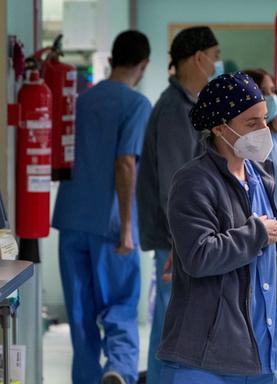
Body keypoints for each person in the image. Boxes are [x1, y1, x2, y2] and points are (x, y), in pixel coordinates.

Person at [158, 72, 277, 383]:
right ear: (219, 128)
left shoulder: (260, 176)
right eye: (251, 124)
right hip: (207, 359)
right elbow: (199, 256)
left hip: (259, 354)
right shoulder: (194, 181)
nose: (263, 131)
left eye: (264, 119)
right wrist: (255, 234)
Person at [51, 30, 152, 384]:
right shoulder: (137, 105)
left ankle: (87, 378)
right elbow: (126, 162)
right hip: (111, 225)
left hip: (71, 219)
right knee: (120, 305)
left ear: (111, 60)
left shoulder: (81, 101)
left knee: (80, 315)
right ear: (144, 65)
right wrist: (127, 227)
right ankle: (119, 371)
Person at [136, 25, 221, 384]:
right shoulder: (174, 110)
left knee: (175, 319)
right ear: (199, 57)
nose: (216, 67)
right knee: (173, 321)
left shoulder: (190, 106)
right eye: (214, 59)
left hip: (182, 238)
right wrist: (181, 242)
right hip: (177, 242)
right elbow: (173, 186)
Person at [243, 69, 277, 256]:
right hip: (250, 236)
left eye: (273, 91)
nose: (271, 96)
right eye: (263, 91)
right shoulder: (240, 144)